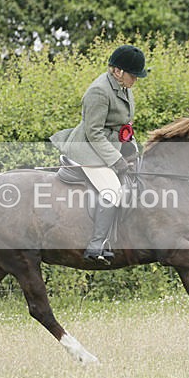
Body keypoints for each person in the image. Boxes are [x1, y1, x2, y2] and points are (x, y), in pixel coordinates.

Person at [50, 45, 147, 264]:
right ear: (118, 71)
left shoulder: (124, 88)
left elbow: (121, 123)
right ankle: (97, 245)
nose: (136, 80)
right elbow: (94, 133)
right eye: (133, 75)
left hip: (109, 146)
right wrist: (115, 160)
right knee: (112, 190)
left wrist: (131, 145)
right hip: (87, 150)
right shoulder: (99, 91)